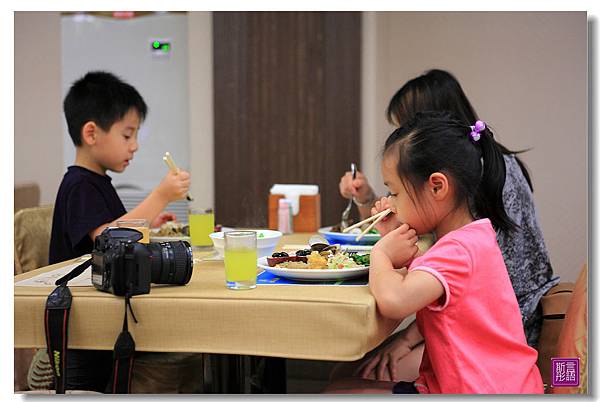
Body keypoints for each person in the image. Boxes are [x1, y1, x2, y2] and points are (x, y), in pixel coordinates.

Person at [337, 70, 557, 362]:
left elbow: (408, 294)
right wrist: (377, 211)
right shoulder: (467, 204)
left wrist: (381, 254)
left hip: (507, 332)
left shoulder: (473, 205)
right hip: (487, 327)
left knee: (364, 371)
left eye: (407, 126)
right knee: (364, 368)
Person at [49, 71, 191, 392]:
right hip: (83, 330)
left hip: (100, 317)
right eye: (127, 135)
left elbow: (118, 228)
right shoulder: (79, 184)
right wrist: (160, 195)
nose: (135, 145)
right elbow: (109, 240)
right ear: (91, 133)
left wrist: (151, 221)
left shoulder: (95, 181)